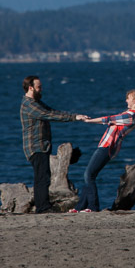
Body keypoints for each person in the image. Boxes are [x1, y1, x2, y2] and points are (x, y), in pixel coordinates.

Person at [20, 75, 88, 214]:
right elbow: (49, 115)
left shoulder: (36, 103)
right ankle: (42, 207)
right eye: (39, 87)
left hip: (42, 146)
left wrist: (75, 116)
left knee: (43, 176)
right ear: (31, 88)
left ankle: (43, 205)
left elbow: (52, 111)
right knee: (42, 178)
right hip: (35, 147)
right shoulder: (29, 105)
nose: (41, 89)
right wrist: (73, 117)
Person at [70, 89, 135, 213]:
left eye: (129, 98)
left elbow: (109, 119)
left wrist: (89, 120)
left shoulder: (132, 116)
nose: (126, 100)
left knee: (89, 175)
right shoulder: (132, 114)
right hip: (107, 146)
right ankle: (80, 207)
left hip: (108, 146)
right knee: (89, 175)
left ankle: (93, 207)